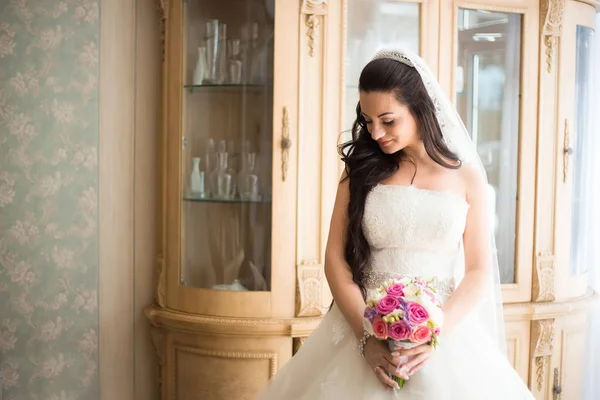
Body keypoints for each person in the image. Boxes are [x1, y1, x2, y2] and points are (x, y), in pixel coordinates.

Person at [256, 47, 535, 399]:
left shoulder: (468, 179)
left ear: (419, 109)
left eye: (388, 120)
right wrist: (367, 338)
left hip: (441, 333)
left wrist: (436, 334)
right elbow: (334, 260)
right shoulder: (359, 172)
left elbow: (479, 271)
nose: (375, 133)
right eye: (368, 120)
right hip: (362, 326)